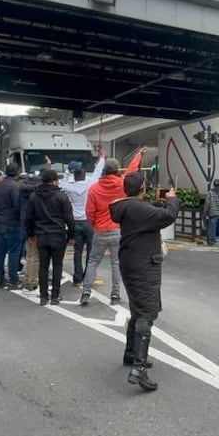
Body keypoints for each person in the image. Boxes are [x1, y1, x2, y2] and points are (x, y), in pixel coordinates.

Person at [109, 173, 181, 392]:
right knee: (146, 314)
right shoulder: (138, 208)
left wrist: (159, 203)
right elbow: (168, 216)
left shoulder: (128, 207)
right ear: (142, 187)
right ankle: (139, 368)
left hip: (131, 262)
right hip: (143, 265)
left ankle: (131, 354)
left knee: (137, 309)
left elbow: (151, 214)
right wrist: (172, 199)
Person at [81, 150, 145, 306]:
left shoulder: (94, 188)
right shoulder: (122, 184)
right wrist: (138, 155)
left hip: (100, 229)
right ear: (117, 170)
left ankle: (86, 291)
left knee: (93, 261)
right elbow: (131, 171)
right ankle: (115, 295)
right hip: (118, 229)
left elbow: (89, 211)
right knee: (116, 263)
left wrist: (95, 225)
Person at [25, 169, 75, 306]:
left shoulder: (34, 196)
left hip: (41, 234)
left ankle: (43, 296)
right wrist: (72, 235)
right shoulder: (61, 196)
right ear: (54, 180)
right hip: (58, 234)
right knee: (57, 266)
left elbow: (29, 218)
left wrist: (30, 234)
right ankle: (55, 296)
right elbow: (69, 218)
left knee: (43, 266)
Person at [63, 152, 106, 286]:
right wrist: (102, 158)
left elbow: (62, 183)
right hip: (89, 221)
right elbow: (97, 172)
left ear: (74, 178)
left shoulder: (69, 188)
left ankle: (77, 278)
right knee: (91, 252)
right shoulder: (90, 185)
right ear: (84, 176)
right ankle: (89, 278)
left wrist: (68, 172)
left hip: (75, 221)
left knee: (77, 251)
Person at [203, 178, 219, 246]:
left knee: (212, 228)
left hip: (213, 213)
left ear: (213, 185)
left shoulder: (210, 193)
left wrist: (205, 212)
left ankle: (212, 242)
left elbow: (207, 203)